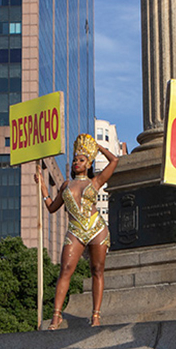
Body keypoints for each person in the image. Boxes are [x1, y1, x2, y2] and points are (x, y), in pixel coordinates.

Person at [35, 133, 119, 328]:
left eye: (81, 160)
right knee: (65, 269)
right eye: (74, 160)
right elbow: (51, 207)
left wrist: (99, 147)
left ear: (88, 163)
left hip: (97, 228)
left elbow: (114, 160)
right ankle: (56, 315)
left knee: (97, 270)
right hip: (75, 230)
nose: (76, 163)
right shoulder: (66, 185)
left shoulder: (95, 182)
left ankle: (96, 315)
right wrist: (43, 189)